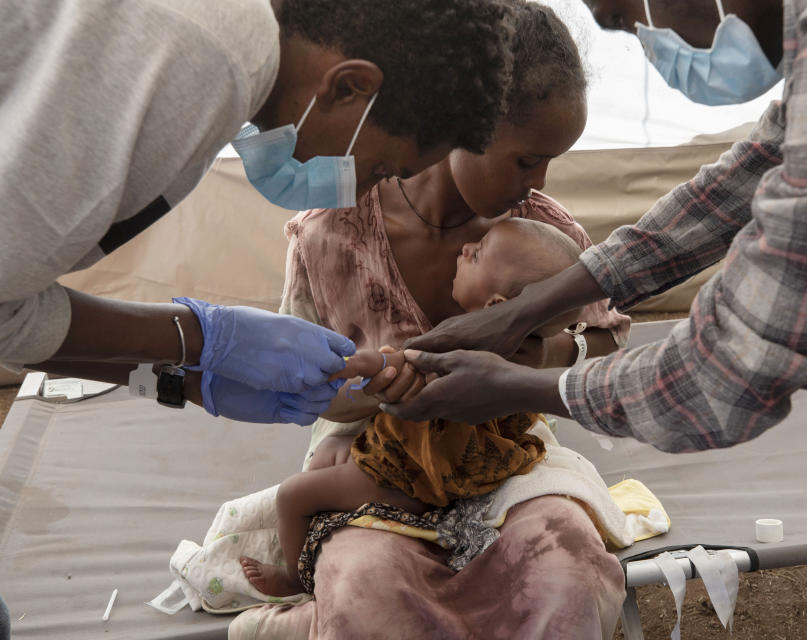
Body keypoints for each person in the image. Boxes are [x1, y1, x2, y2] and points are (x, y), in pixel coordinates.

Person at [384, 0, 807, 453]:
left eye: (625, 20)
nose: (647, 44)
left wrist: (518, 386)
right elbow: (755, 171)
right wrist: (524, 312)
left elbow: (729, 370)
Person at [240, 4, 631, 636]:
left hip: (502, 459)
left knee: (569, 574)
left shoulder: (545, 237)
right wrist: (370, 392)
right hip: (374, 461)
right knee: (367, 594)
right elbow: (314, 392)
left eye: (551, 161)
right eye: (526, 159)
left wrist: (540, 357)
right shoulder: (332, 235)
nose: (538, 182)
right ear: (466, 127)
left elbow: (606, 347)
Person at [0, 0, 514, 427]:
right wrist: (204, 336)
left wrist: (187, 377)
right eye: (379, 168)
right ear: (347, 86)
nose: (357, 193)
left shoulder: (227, 48)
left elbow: (14, 308)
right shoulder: (206, 58)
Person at [240, 219, 587, 598]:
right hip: (419, 453)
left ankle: (297, 578)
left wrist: (366, 365)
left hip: (414, 473)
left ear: (496, 305)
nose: (466, 247)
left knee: (292, 496)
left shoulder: (471, 346)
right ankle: (338, 501)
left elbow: (410, 368)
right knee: (329, 450)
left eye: (479, 252)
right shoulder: (510, 353)